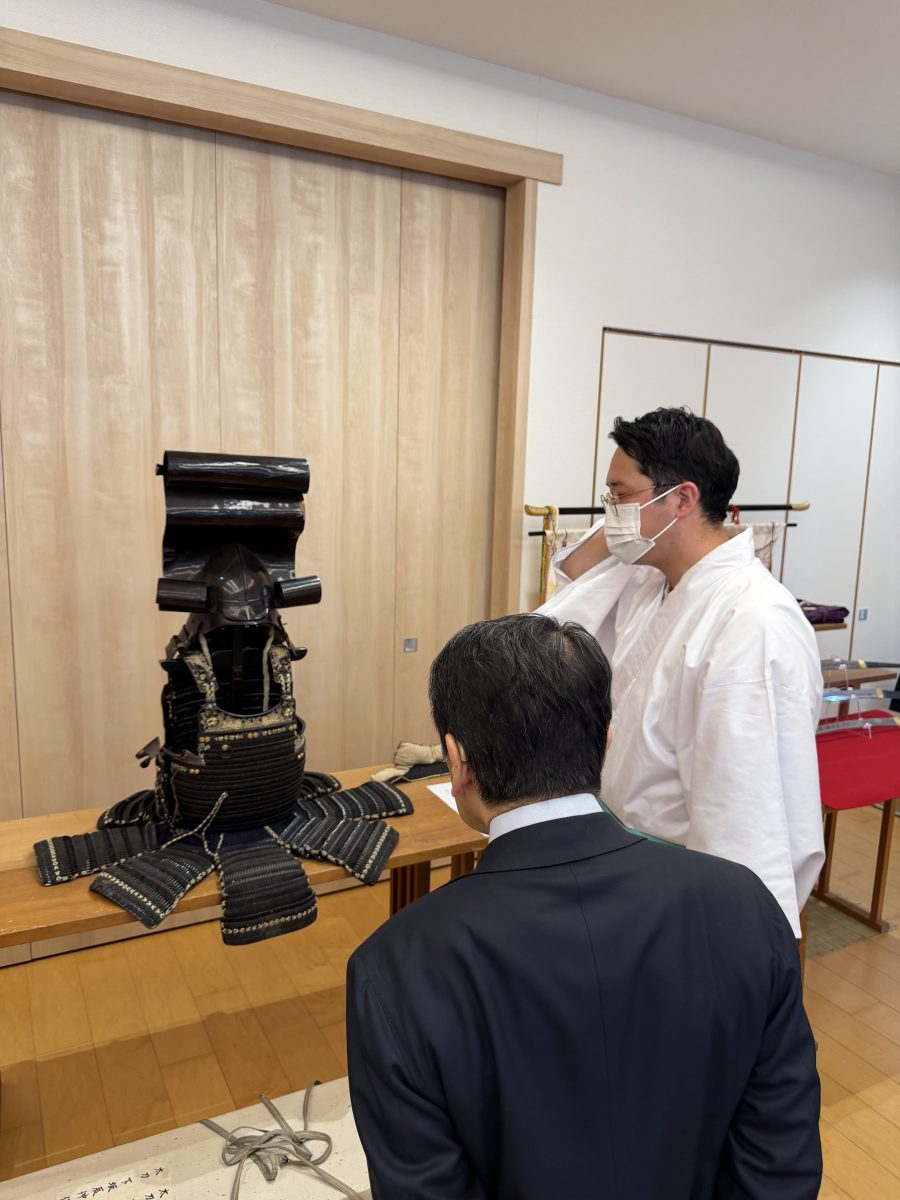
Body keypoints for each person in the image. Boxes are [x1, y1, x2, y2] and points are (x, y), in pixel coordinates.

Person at [345, 614, 822, 1199]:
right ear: (606, 741)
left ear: (457, 760)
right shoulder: (745, 905)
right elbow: (779, 1164)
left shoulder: (394, 967)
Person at [539, 406, 824, 936]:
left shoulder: (751, 623)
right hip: (629, 860)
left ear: (683, 499)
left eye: (619, 496)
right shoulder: (652, 581)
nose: (610, 514)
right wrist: (628, 513)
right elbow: (571, 588)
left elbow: (744, 822)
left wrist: (716, 943)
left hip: (689, 893)